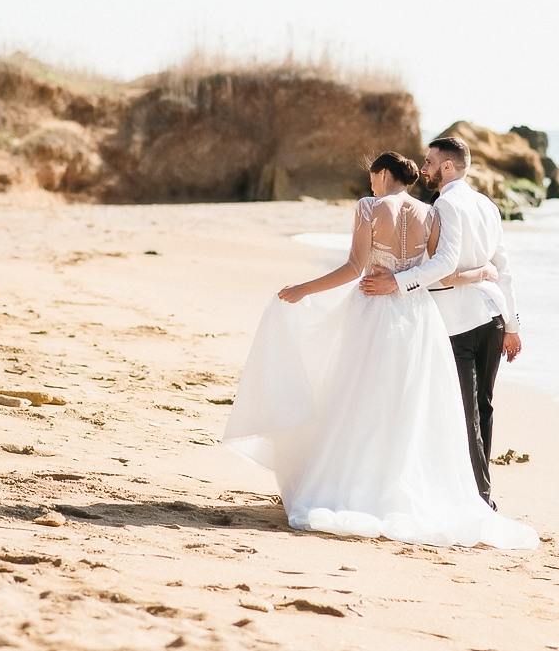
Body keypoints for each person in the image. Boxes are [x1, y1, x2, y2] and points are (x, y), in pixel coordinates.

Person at [223, 151, 537, 549]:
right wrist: (481, 273)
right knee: (407, 405)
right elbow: (442, 267)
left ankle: (357, 486)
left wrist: (304, 289)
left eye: (372, 177)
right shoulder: (430, 213)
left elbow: (353, 269)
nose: (370, 185)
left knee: (359, 398)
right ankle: (401, 488)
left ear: (383, 173)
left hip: (373, 311)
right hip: (418, 317)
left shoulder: (368, 207)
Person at [360, 136, 521, 510]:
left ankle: (479, 499)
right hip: (493, 317)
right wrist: (513, 325)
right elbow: (504, 268)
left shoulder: (445, 205)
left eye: (430, 162)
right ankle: (481, 493)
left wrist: (397, 282)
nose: (425, 168)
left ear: (448, 167)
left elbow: (444, 266)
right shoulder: (487, 205)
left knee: (464, 412)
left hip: (458, 320)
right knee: (483, 409)